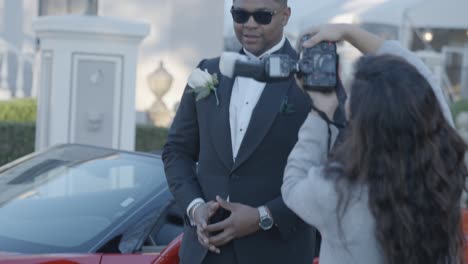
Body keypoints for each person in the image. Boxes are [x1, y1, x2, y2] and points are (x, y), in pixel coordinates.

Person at [282, 24, 467, 264]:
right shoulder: (443, 165)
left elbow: (293, 186)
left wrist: (319, 114)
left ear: (362, 119)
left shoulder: (340, 191)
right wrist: (349, 32)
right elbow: (422, 76)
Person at [162, 0, 326, 263]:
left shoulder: (311, 78)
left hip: (276, 252)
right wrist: (195, 208)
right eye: (240, 15)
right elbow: (176, 151)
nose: (249, 24)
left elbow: (327, 171)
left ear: (285, 16)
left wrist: (264, 216)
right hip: (204, 253)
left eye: (262, 16)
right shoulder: (209, 70)